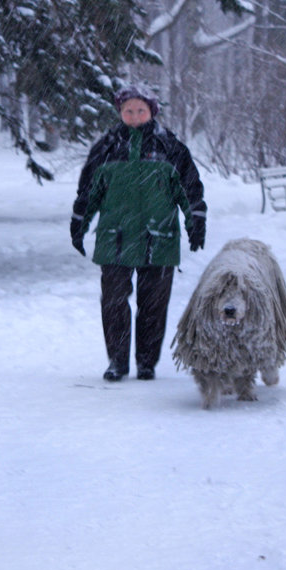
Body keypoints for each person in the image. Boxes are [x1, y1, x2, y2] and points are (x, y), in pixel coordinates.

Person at [70, 84, 206, 382]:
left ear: (151, 112)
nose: (134, 116)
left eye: (140, 110)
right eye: (128, 110)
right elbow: (88, 192)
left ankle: (146, 362)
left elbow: (190, 188)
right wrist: (79, 224)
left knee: (154, 304)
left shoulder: (170, 147)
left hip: (159, 239)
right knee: (114, 302)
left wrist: (195, 221)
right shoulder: (106, 147)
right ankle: (117, 362)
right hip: (114, 238)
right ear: (120, 112)